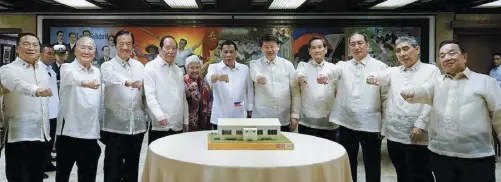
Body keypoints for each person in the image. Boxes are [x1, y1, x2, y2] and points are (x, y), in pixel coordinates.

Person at [400, 40, 501, 182]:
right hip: (440, 154)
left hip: (477, 156)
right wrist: (411, 92)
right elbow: (423, 91)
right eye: (442, 56)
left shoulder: (486, 82)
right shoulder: (436, 82)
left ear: (464, 57)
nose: (446, 58)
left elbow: (499, 115)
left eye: (451, 53)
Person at [366, 36, 439, 182]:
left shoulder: (431, 70)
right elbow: (379, 76)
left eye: (406, 49)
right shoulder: (393, 72)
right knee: (401, 172)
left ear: (417, 49)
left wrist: (421, 125)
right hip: (394, 134)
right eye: (398, 50)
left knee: (420, 173)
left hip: (418, 134)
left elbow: (433, 99)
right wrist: (372, 78)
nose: (402, 53)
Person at [318, 32, 388, 182]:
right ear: (349, 48)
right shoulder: (343, 66)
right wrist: (324, 75)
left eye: (360, 43)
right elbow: (330, 71)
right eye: (353, 44)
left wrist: (385, 124)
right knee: (348, 162)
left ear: (367, 45)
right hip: (346, 122)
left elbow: (385, 97)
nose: (356, 47)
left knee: (372, 163)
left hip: (371, 124)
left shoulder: (380, 67)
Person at [0, 33, 53, 182]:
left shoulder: (42, 69)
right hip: (19, 136)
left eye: (35, 45)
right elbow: (17, 84)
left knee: (36, 176)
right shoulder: (7, 69)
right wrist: (35, 90)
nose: (31, 48)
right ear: (17, 48)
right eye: (26, 44)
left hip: (40, 134)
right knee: (19, 177)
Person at [100, 30, 147, 182]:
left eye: (128, 44)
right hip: (115, 128)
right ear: (115, 46)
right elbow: (111, 78)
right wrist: (128, 81)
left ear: (133, 46)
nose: (125, 47)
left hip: (137, 127)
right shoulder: (107, 66)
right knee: (112, 169)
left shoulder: (140, 66)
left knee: (132, 169)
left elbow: (147, 93)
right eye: (121, 44)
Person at [56, 36, 103, 182]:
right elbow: (71, 78)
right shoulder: (66, 68)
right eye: (82, 47)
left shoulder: (97, 72)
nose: (86, 51)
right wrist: (84, 82)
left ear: (95, 53)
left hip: (90, 134)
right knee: (63, 175)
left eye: (90, 48)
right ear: (75, 51)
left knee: (88, 176)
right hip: (69, 133)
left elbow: (100, 102)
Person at [249, 33, 300, 132]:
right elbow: (255, 73)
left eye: (272, 46)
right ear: (261, 48)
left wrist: (295, 115)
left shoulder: (287, 65)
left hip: (283, 117)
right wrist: (259, 77)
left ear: (278, 47)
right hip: (261, 117)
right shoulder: (255, 64)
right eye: (266, 47)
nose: (270, 50)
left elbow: (295, 93)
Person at [144, 36, 189, 144]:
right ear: (160, 49)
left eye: (174, 48)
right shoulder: (151, 67)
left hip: (177, 125)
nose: (171, 51)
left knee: (176, 158)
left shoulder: (178, 70)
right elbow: (150, 96)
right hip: (160, 126)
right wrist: (160, 116)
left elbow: (182, 98)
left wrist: (185, 120)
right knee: (159, 159)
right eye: (168, 48)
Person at [295, 37, 338, 141]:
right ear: (309, 51)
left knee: (328, 153)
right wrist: (301, 77)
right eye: (313, 48)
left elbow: (337, 92)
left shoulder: (333, 68)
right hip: (307, 120)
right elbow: (298, 74)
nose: (317, 50)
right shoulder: (303, 66)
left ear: (326, 49)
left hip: (328, 120)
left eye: (320, 47)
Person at [206, 40, 254, 129]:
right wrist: (218, 77)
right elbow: (209, 78)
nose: (228, 55)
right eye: (225, 52)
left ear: (236, 53)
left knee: (239, 141)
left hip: (239, 112)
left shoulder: (244, 69)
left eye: (231, 52)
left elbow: (250, 90)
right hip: (220, 115)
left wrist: (250, 109)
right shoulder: (214, 67)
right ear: (221, 53)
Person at [39, 44, 59, 177]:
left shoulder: (52, 70)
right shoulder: (37, 70)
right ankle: (39, 168)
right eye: (48, 53)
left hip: (53, 111)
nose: (51, 56)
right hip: (43, 112)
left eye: (53, 53)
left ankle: (47, 163)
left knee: (50, 140)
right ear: (41, 54)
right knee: (42, 142)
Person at [184, 54, 212, 131]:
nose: (195, 70)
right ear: (187, 69)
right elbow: (182, 97)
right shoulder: (183, 81)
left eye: (197, 67)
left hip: (204, 122)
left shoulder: (204, 83)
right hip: (187, 122)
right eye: (191, 68)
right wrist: (189, 90)